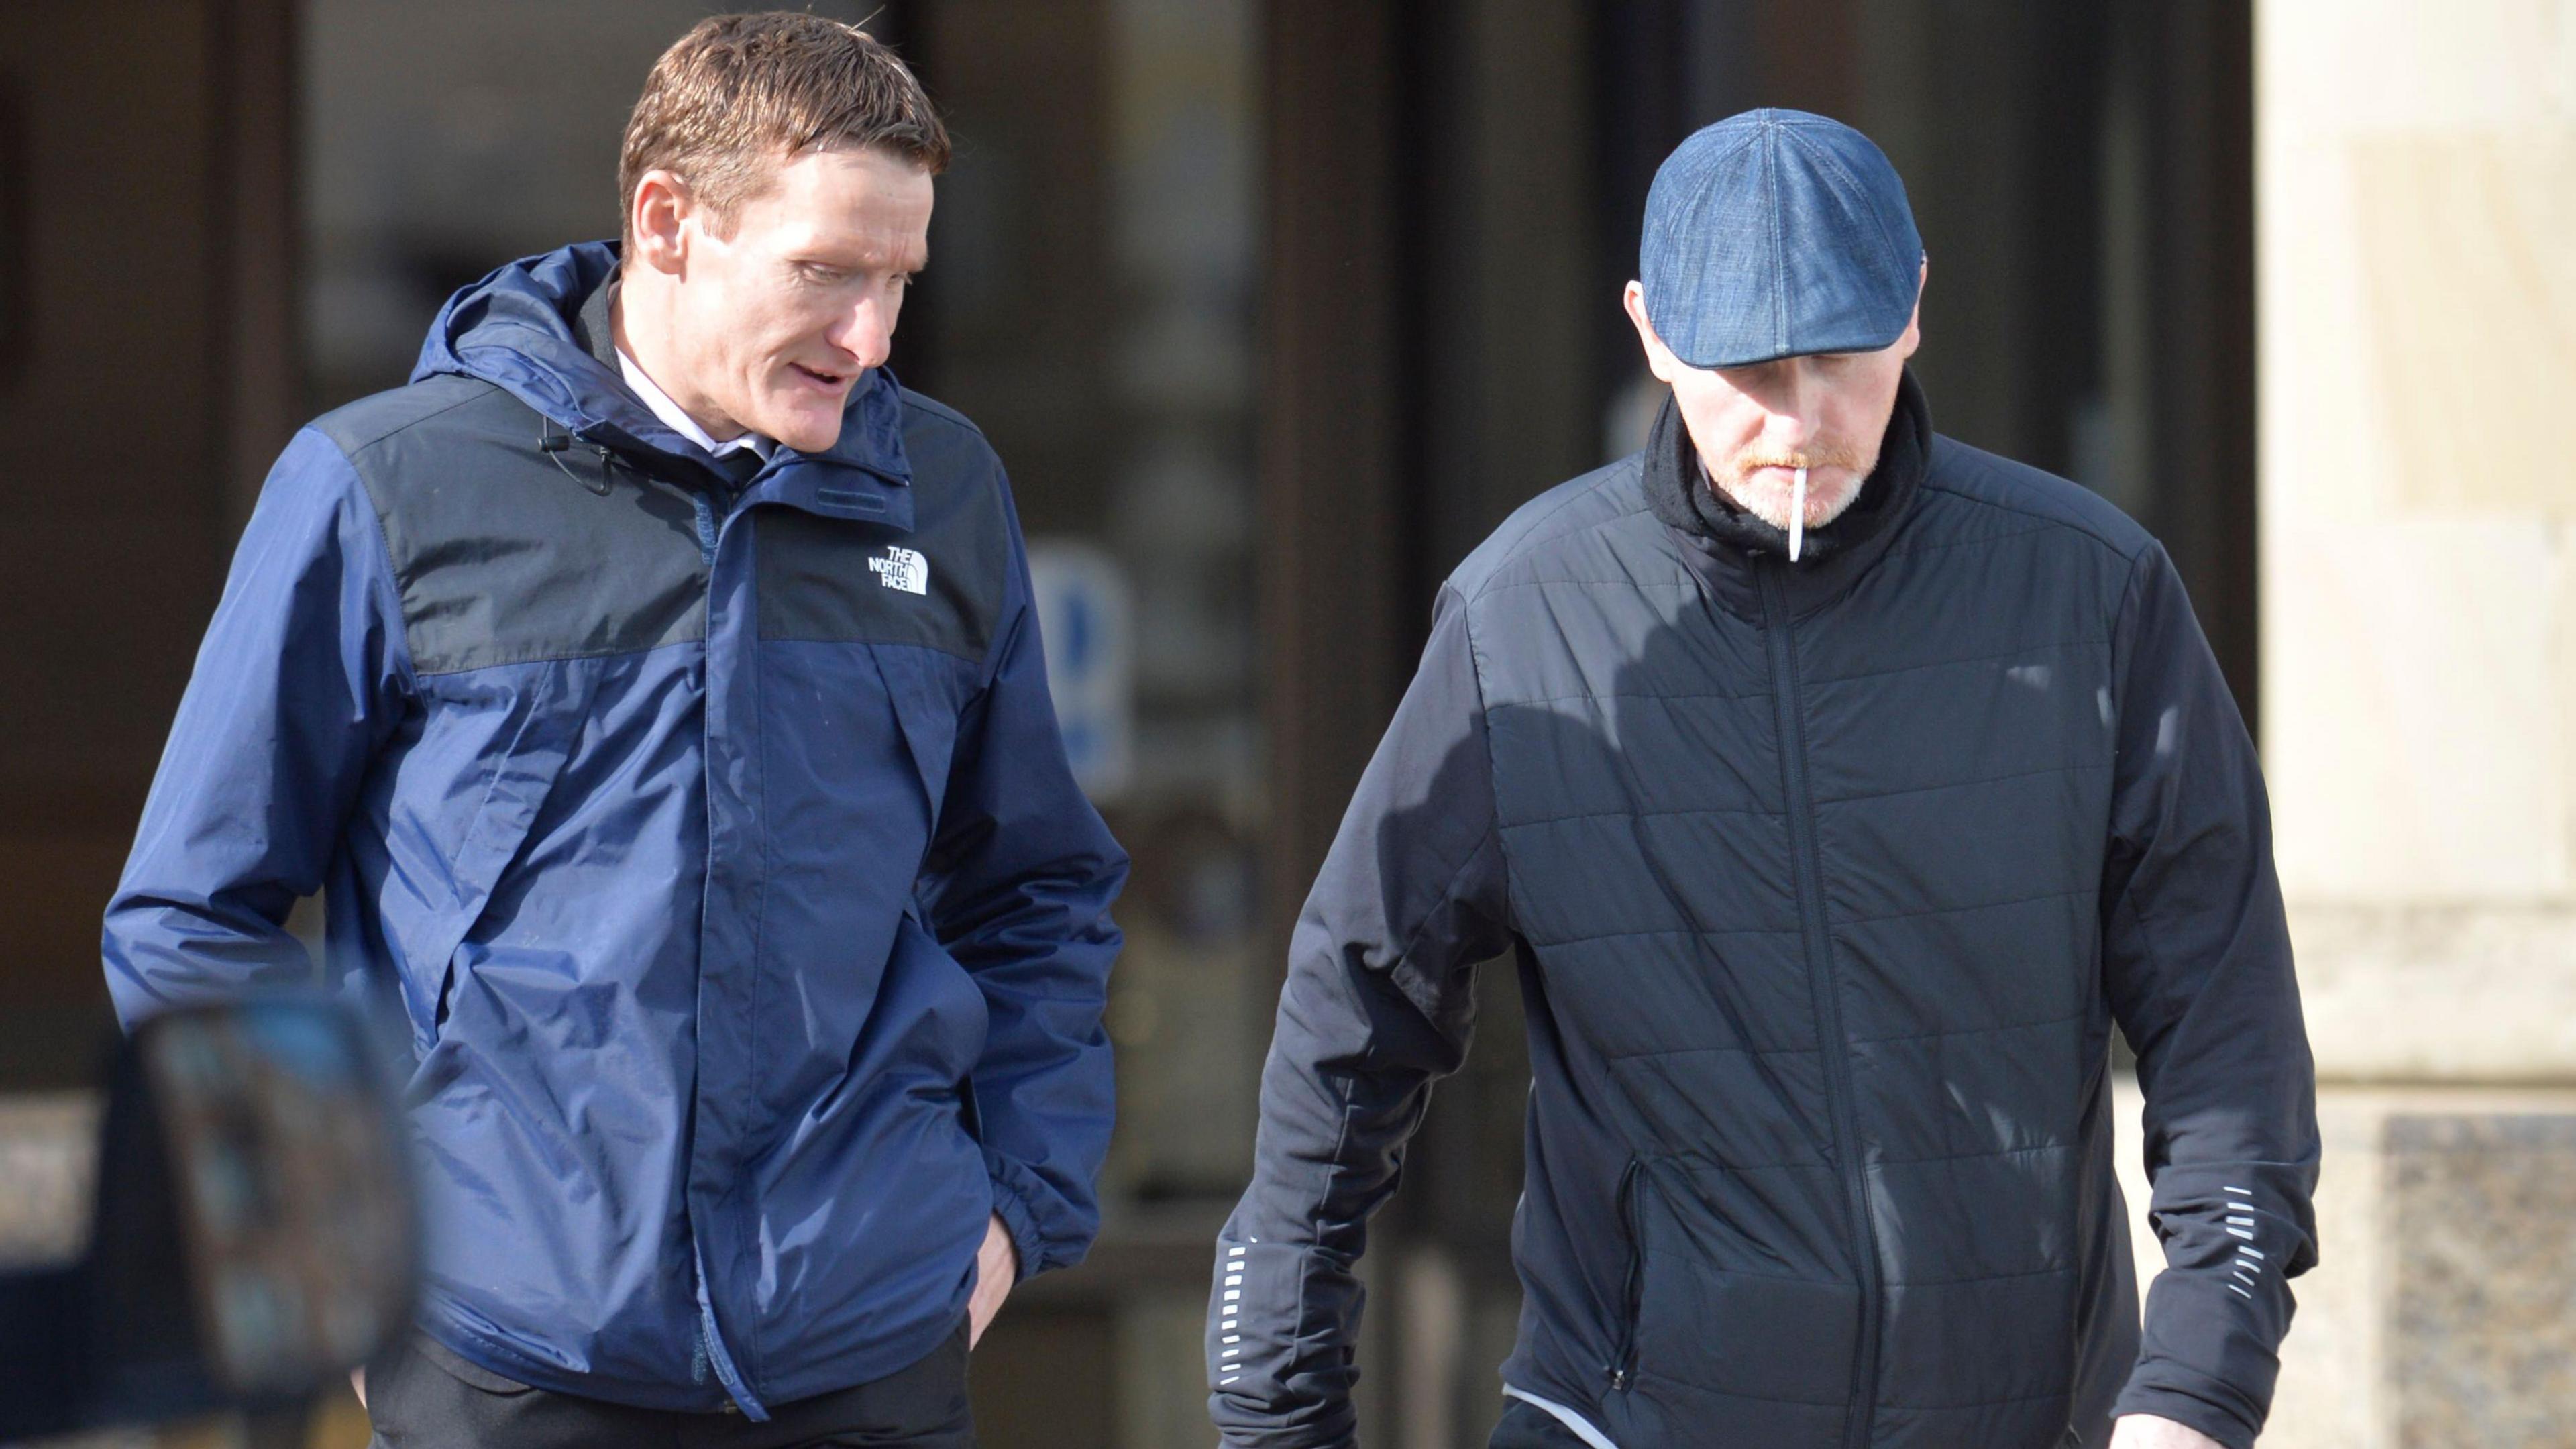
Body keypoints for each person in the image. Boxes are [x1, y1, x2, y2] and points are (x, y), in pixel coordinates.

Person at [1205, 109, 2316, 1449]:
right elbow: (1347, 1022)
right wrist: (1278, 1415)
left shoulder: (2093, 593)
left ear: (1912, 306)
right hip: (1622, 1418)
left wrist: (2197, 1387)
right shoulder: (1523, 617)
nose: (1803, 422)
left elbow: (2226, 1027)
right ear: (1652, 331)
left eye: (1841, 358)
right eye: (1748, 367)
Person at [102, 14, 1126, 1446]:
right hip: (509, 1364)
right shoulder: (383, 488)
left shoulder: (941, 493)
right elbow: (192, 919)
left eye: (899, 281)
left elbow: (1038, 887)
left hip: (871, 1349)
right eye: (828, 273)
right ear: (668, 221)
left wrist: (1013, 1205)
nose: (874, 337)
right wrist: (324, 1265)